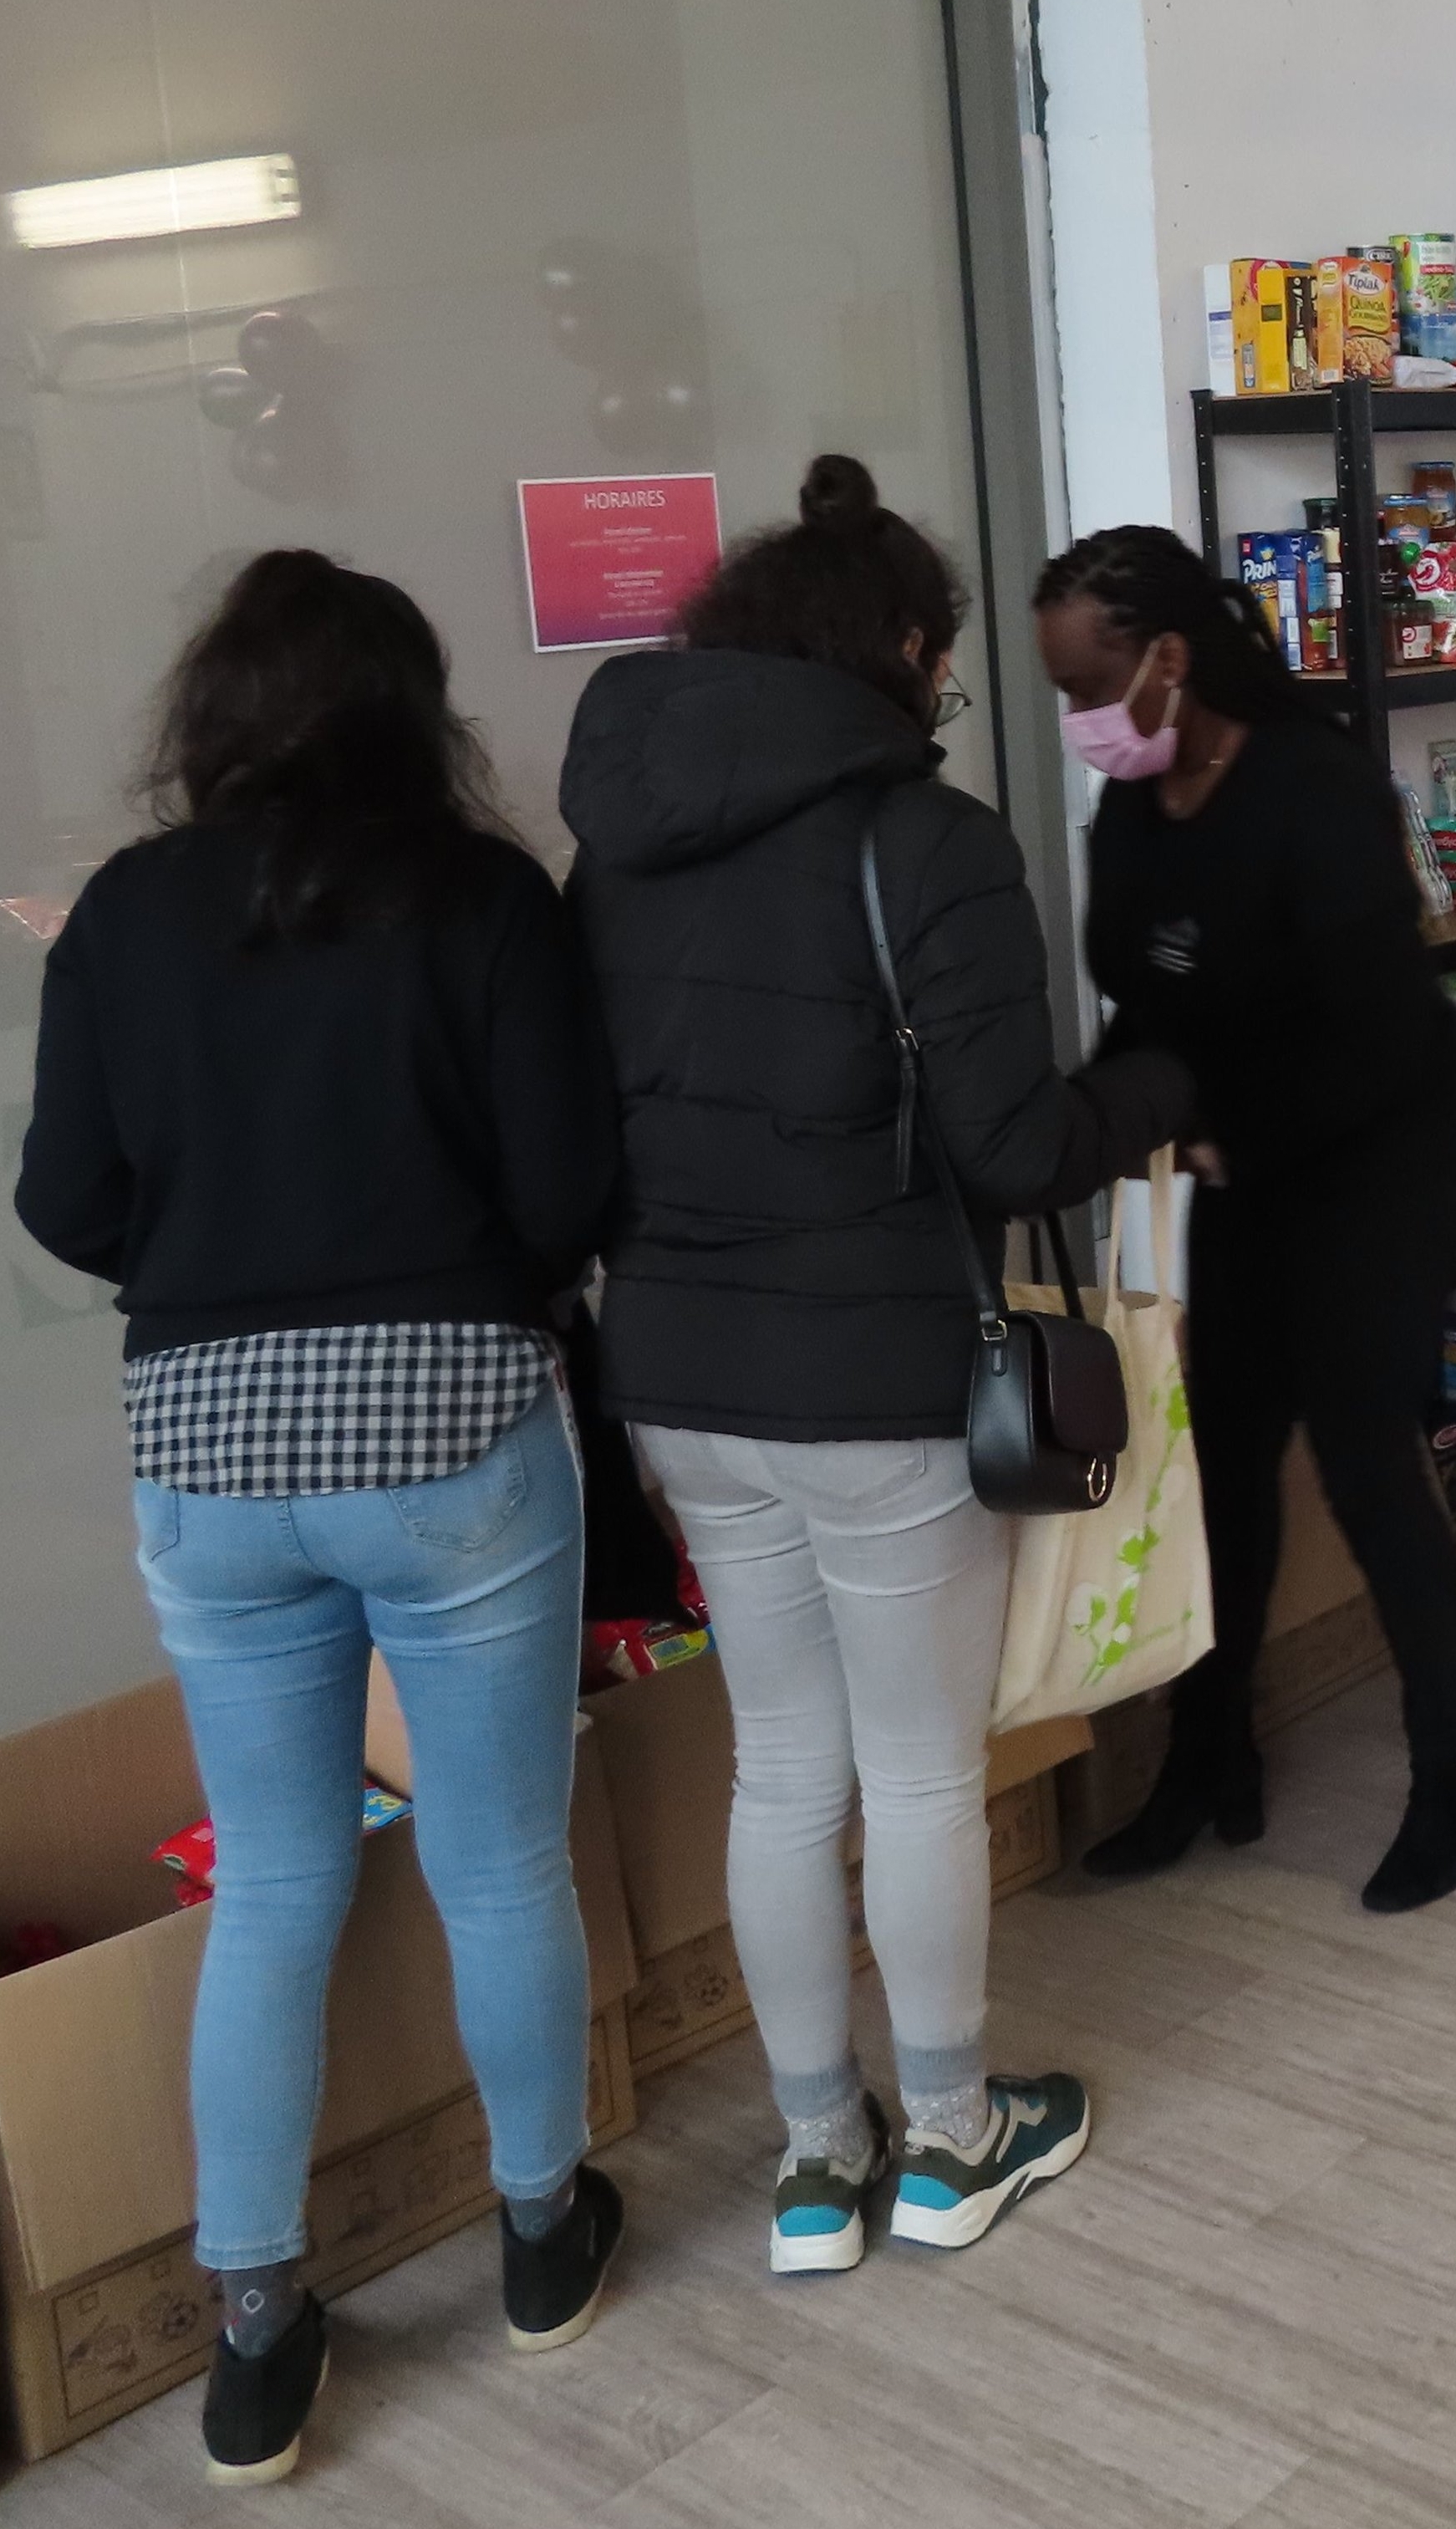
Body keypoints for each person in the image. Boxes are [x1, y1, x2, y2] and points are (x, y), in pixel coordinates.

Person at [13, 550, 626, 2487]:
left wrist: (205, 1260)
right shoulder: (484, 895)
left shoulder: (123, 913)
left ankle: (261, 2336)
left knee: (276, 1884)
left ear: (210, 717)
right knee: (499, 1857)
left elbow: (63, 1199)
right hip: (450, 1416)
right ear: (407, 710)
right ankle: (540, 2236)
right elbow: (568, 1186)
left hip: (206, 1442)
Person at [561, 456, 1192, 2276]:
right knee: (917, 1770)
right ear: (905, 648)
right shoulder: (925, 840)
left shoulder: (612, 844)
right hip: (878, 1379)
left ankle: (813, 2162)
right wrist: (1157, 1089)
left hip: (677, 1374)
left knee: (781, 1763)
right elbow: (1011, 1147)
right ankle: (952, 2134)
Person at [1031, 523, 1456, 1915]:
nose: (1078, 721)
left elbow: (1375, 1036)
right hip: (1236, 1150)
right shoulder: (1136, 800)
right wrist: (1084, 1117)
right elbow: (1145, 993)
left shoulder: (1313, 787)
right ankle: (1207, 1757)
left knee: (1360, 1443)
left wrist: (1227, 1136)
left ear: (1168, 659)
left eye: (1088, 688)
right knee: (1219, 1445)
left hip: (1381, 1140)